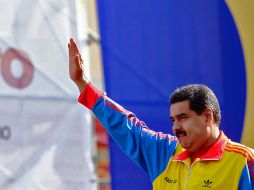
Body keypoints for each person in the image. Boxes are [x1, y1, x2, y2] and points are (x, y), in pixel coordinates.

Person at [68, 38, 254, 189]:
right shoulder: (165, 152)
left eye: (183, 118)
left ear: (207, 117)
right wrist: (83, 84)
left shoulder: (243, 161)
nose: (176, 127)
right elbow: (126, 127)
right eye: (173, 120)